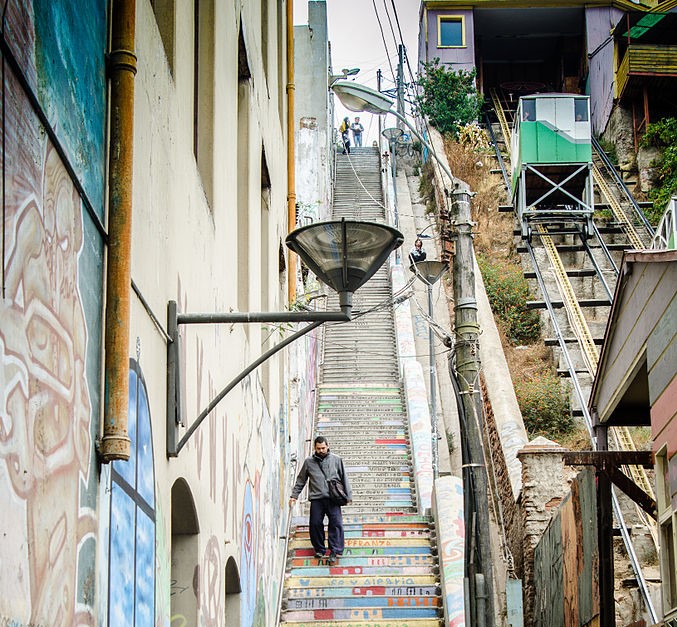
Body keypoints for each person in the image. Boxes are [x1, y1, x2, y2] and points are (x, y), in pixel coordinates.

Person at [289, 436, 352, 563]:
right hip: (317, 498)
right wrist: (294, 496)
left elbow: (344, 477)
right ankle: (319, 549)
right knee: (315, 523)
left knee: (336, 523)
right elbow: (301, 480)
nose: (321, 450)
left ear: (327, 446)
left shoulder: (336, 459)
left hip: (333, 498)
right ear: (314, 448)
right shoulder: (308, 462)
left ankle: (335, 550)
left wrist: (348, 496)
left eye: (323, 448)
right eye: (318, 448)